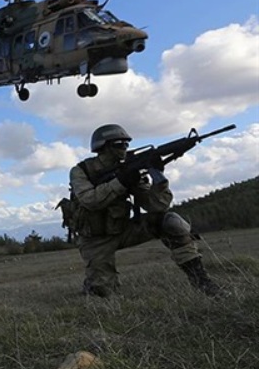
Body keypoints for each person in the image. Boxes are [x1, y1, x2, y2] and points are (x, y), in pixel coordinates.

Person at [70, 124, 221, 298]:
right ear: (103, 147)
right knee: (102, 293)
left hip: (123, 230)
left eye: (126, 144)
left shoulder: (129, 169)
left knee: (171, 222)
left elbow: (156, 206)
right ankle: (93, 286)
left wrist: (158, 178)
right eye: (119, 144)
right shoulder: (81, 171)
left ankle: (203, 283)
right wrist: (121, 182)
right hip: (95, 240)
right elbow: (90, 201)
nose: (124, 149)